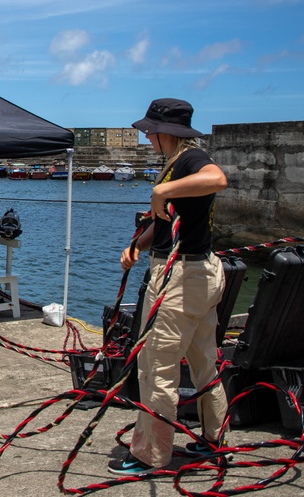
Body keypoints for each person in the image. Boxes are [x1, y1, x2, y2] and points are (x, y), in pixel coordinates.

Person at [107, 98, 230, 475]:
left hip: (180, 278)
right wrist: (136, 245)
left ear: (165, 132)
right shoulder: (175, 163)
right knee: (204, 362)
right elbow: (164, 223)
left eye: (149, 131)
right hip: (200, 273)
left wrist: (162, 191)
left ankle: (150, 456)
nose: (146, 137)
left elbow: (218, 179)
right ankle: (215, 440)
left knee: (155, 368)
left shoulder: (191, 160)